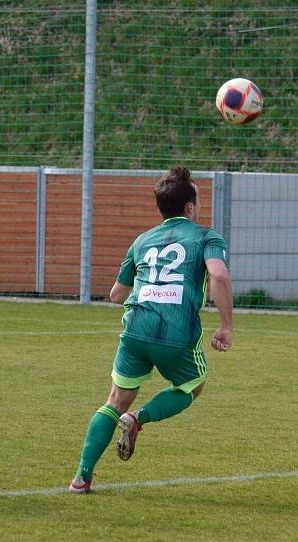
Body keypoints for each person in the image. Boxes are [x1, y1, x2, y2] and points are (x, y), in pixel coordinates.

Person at [69, 166, 233, 493]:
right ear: (190, 207)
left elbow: (117, 294)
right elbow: (220, 276)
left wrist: (151, 292)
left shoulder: (142, 240)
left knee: (116, 400)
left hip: (135, 328)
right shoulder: (206, 237)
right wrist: (226, 325)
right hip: (175, 332)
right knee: (191, 386)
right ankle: (138, 419)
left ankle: (81, 478)